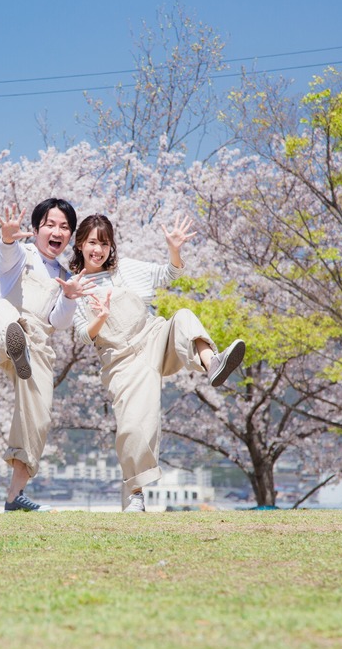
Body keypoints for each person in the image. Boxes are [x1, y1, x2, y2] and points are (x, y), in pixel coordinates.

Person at [71, 213, 245, 512]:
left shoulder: (127, 269)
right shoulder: (75, 287)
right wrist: (100, 317)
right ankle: (135, 493)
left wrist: (174, 248)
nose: (98, 250)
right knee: (134, 426)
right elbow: (82, 336)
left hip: (153, 338)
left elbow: (170, 274)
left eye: (104, 243)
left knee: (183, 317)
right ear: (80, 245)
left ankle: (211, 363)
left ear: (111, 246)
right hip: (121, 361)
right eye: (91, 243)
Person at [0, 199, 93, 512]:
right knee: (2, 309)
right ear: (37, 229)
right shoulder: (22, 256)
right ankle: (15, 343)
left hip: (36, 346)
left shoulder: (67, 276)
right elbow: (7, 255)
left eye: (65, 227)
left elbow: (59, 323)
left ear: (70, 236)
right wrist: (8, 237)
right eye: (50, 225)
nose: (57, 231)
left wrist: (68, 297)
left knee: (38, 415)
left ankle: (14, 498)